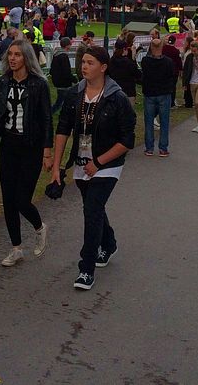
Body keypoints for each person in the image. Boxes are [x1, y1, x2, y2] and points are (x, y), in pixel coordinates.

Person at [52, 45, 135, 291]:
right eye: (83, 62)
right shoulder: (75, 94)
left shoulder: (116, 98)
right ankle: (108, 243)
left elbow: (126, 141)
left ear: (103, 67)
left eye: (90, 62)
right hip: (81, 162)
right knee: (94, 208)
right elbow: (63, 130)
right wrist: (56, 166)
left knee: (91, 211)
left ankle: (86, 269)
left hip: (107, 165)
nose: (84, 67)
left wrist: (98, 163)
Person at [0, 39, 53, 267]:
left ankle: (39, 227)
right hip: (9, 146)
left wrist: (47, 150)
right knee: (8, 200)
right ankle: (16, 248)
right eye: (10, 55)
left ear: (26, 58)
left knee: (21, 199)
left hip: (31, 146)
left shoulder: (38, 84)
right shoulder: (3, 82)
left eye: (17, 55)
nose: (12, 59)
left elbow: (46, 118)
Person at [140, 38, 175, 157]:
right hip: (164, 93)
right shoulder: (168, 62)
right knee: (164, 121)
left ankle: (149, 148)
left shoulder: (145, 61)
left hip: (149, 93)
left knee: (149, 121)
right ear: (162, 47)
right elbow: (172, 76)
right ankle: (163, 148)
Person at [108, 40, 141, 105]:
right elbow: (137, 74)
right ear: (124, 49)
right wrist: (133, 58)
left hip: (115, 90)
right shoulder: (128, 62)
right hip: (128, 91)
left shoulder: (111, 61)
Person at [50, 36, 76, 114]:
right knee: (61, 101)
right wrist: (73, 79)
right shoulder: (64, 56)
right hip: (63, 82)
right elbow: (66, 72)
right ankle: (50, 112)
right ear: (67, 45)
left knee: (61, 100)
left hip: (57, 81)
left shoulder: (56, 55)